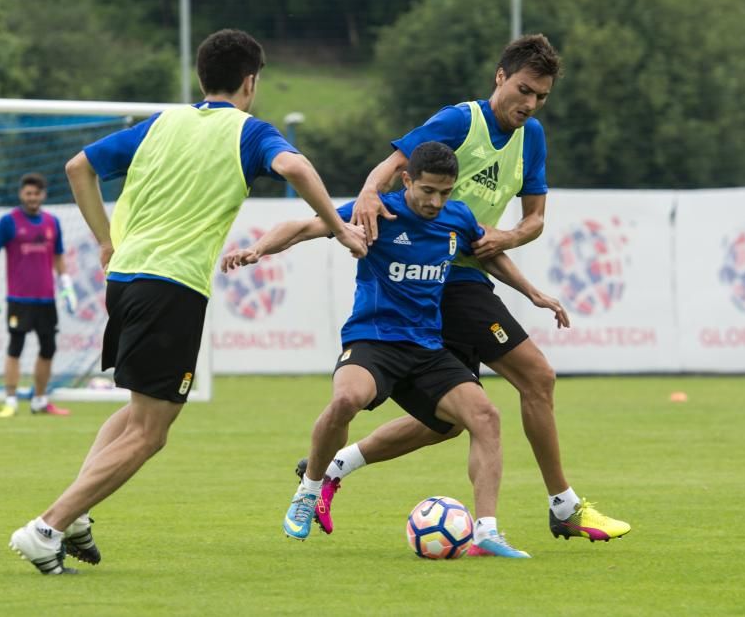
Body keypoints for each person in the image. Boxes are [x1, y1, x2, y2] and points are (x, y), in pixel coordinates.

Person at [6, 28, 367, 575]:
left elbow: (77, 167)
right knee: (151, 434)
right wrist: (341, 228)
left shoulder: (161, 123)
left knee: (136, 415)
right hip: (170, 287)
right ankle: (47, 528)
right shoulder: (249, 132)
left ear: (202, 77)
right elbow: (294, 167)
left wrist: (105, 240)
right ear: (250, 82)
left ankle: (76, 518)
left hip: (125, 279)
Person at [306, 33, 631, 544]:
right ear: (500, 77)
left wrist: (507, 236)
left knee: (450, 421)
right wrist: (368, 195)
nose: (530, 104)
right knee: (537, 377)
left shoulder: (533, 137)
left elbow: (535, 219)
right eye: (523, 90)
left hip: (469, 271)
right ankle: (564, 508)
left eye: (541, 97)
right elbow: (393, 168)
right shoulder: (461, 121)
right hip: (449, 279)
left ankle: (334, 467)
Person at [223, 142, 546, 558]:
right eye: (427, 190)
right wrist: (258, 249)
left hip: (427, 347)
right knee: (346, 399)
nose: (435, 201)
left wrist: (534, 293)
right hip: (373, 339)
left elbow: (487, 254)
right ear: (407, 179)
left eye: (444, 192)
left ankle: (485, 531)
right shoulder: (377, 212)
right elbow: (303, 227)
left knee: (485, 416)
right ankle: (309, 489)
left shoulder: (458, 217)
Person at [0, 172, 77, 418]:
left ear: (43, 195)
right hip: (18, 299)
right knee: (15, 348)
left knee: (48, 349)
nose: (32, 197)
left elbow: (58, 256)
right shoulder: (8, 222)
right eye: (28, 193)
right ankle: (10, 401)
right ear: (22, 194)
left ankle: (40, 401)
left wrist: (66, 284)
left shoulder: (52, 223)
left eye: (36, 193)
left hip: (46, 299)